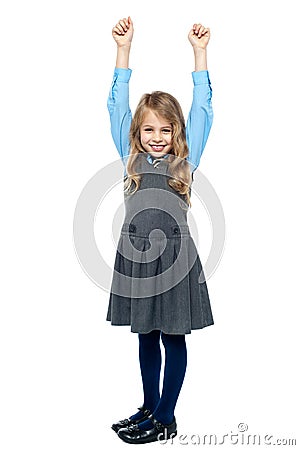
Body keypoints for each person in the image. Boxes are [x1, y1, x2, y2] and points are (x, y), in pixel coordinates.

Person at [106, 16, 214, 444]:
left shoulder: (184, 163)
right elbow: (116, 105)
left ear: (177, 133)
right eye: (148, 129)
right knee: (145, 335)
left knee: (173, 337)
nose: (156, 136)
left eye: (165, 130)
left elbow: (203, 109)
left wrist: (200, 54)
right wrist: (123, 52)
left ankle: (166, 417)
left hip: (174, 262)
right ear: (136, 132)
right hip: (137, 258)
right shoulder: (129, 158)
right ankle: (149, 406)